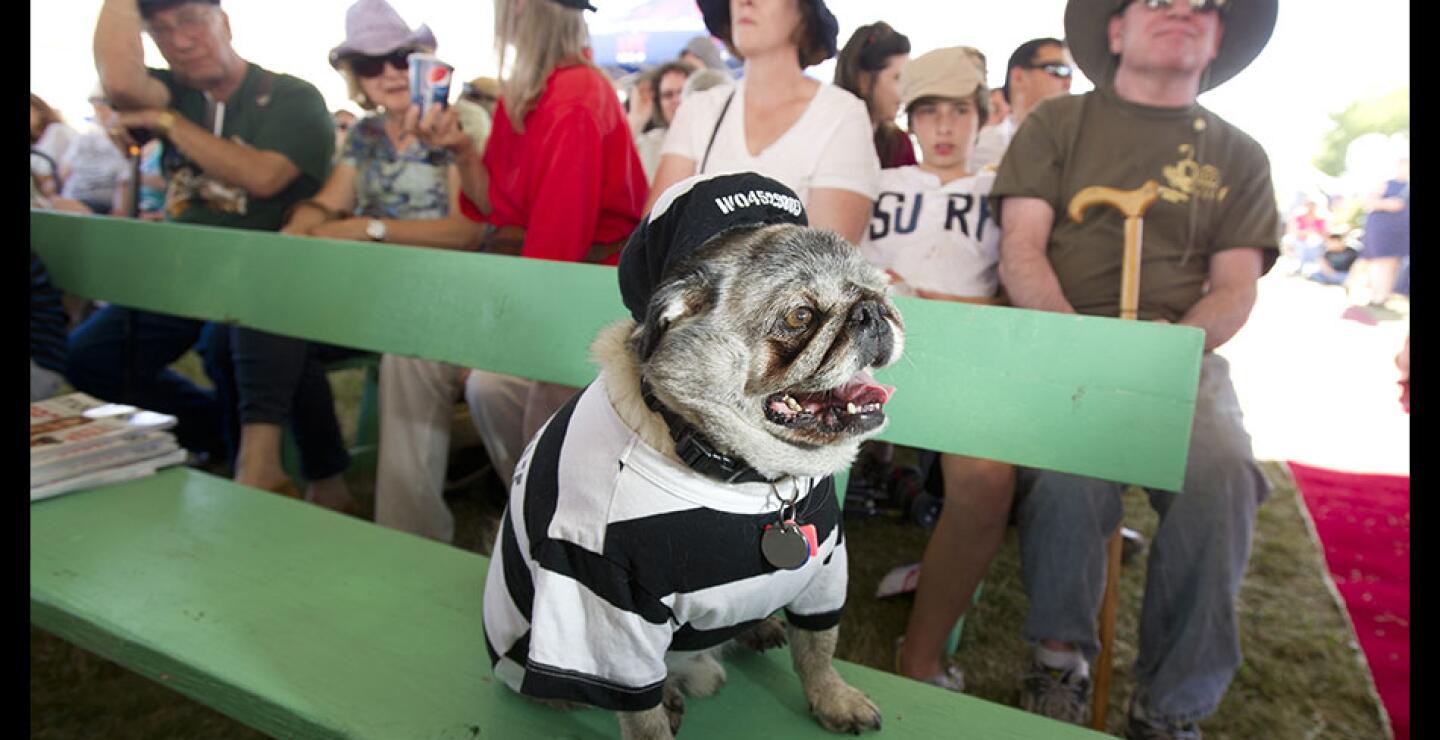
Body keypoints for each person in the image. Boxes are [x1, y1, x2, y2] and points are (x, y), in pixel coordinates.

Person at [990, 0, 1281, 736]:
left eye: (1202, 6)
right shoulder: (1057, 124)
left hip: (1184, 355)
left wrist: (1169, 350)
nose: (1182, 11)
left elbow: (1236, 285)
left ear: (1218, 39)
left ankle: (1171, 705)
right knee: (1067, 473)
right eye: (1159, 0)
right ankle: (1059, 661)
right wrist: (1078, 344)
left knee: (1223, 479)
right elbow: (1022, 247)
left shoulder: (1240, 153)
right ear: (1116, 30)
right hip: (1068, 344)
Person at [387, 0, 648, 543]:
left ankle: (547, 532)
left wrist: (487, 342)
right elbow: (501, 213)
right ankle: (408, 533)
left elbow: (551, 260)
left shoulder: (577, 95)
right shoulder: (526, 93)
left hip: (588, 301)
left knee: (489, 383)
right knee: (408, 352)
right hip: (541, 284)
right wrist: (461, 151)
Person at [71, 0, 334, 472]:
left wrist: (168, 122)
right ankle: (209, 429)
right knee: (91, 356)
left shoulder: (292, 95)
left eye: (192, 19)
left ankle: (256, 464)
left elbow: (264, 178)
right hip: (182, 277)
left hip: (270, 280)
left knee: (231, 338)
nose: (181, 40)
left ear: (225, 22)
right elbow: (119, 79)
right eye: (162, 30)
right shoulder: (170, 89)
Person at [855, 46, 1015, 693]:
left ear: (980, 117)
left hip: (964, 359)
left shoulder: (1001, 190)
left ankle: (920, 654)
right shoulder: (879, 185)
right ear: (910, 121)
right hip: (870, 352)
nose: (945, 128)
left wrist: (956, 306)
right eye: (930, 113)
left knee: (986, 479)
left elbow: (1014, 292)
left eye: (959, 111)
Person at [647, 0, 880, 245]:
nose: (744, 2)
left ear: (803, 12)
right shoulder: (698, 110)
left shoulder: (841, 115)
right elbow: (654, 245)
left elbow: (823, 263)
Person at [972, 37, 1074, 170]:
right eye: (1058, 70)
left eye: (1071, 73)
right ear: (1018, 77)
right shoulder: (982, 148)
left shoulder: (1078, 144)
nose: (1068, 82)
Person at [834, 21, 914, 169]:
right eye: (898, 78)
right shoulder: (825, 137)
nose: (906, 90)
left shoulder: (899, 145)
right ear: (862, 80)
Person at [59, 88, 130, 215]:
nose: (101, 111)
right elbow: (65, 172)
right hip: (71, 198)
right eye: (97, 106)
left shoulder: (128, 140)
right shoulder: (84, 137)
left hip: (102, 206)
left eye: (105, 105)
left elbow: (125, 182)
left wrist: (119, 213)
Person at [1354, 148, 1409, 308]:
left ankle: (1385, 296)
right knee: (1382, 262)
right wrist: (1387, 204)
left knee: (1395, 263)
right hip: (1383, 229)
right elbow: (1368, 203)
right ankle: (1377, 296)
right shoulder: (1386, 184)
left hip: (1402, 230)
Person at [629, 60, 696, 181]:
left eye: (682, 92)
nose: (676, 100)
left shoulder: (711, 139)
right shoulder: (649, 143)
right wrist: (637, 118)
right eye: (668, 95)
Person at [32, 94, 79, 199]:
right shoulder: (35, 142)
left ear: (39, 110)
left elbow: (48, 174)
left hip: (63, 194)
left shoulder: (56, 131)